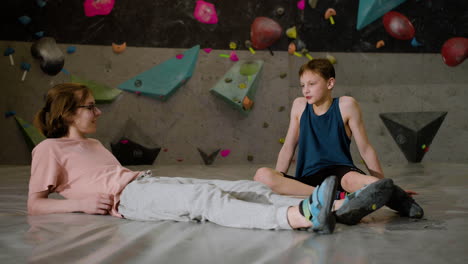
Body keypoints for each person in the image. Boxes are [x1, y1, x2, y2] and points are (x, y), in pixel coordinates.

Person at [28, 83, 349, 234]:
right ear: (69, 113)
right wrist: (79, 205)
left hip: (143, 183)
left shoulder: (94, 143)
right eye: (89, 106)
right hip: (126, 200)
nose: (97, 111)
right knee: (204, 199)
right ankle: (296, 218)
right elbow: (35, 204)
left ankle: (336, 206)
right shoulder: (49, 150)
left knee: (240, 187)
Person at [253, 59, 424, 224]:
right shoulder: (299, 106)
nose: (306, 90)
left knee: (365, 183)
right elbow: (288, 147)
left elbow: (365, 149)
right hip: (307, 179)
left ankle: (396, 198)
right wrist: (278, 179)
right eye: (303, 85)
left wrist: (382, 184)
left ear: (330, 83)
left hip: (341, 174)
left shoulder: (346, 105)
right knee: (262, 176)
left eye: (312, 84)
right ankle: (336, 199)